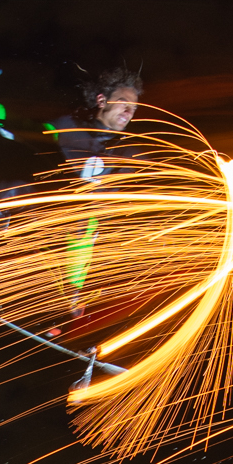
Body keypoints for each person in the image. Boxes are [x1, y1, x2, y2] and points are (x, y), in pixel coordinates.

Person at [41, 67, 144, 312]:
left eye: (134, 108)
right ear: (101, 100)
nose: (129, 112)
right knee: (10, 187)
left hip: (80, 229)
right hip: (46, 210)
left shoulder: (126, 152)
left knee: (88, 221)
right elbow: (23, 130)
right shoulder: (68, 127)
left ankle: (70, 302)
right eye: (123, 103)